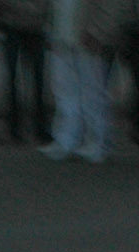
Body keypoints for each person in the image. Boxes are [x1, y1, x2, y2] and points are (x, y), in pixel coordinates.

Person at [44, 0, 134, 158]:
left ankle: (97, 142)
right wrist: (50, 30)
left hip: (88, 37)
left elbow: (112, 6)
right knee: (64, 91)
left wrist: (99, 31)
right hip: (62, 34)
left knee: (92, 92)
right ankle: (66, 139)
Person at [0, 0, 50, 142]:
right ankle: (16, 128)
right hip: (14, 26)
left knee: (35, 80)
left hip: (31, 27)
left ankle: (35, 127)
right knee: (14, 79)